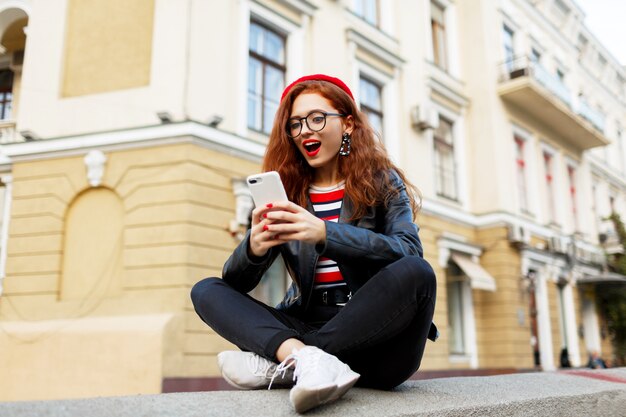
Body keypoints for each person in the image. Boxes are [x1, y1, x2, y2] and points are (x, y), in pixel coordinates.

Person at [191, 74, 438, 413]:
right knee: (206, 290)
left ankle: (290, 361)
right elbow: (234, 286)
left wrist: (325, 233)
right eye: (295, 124)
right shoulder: (289, 193)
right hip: (308, 320)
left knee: (418, 272)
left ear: (347, 124)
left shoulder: (383, 181)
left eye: (317, 118)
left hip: (379, 343)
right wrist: (255, 248)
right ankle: (303, 358)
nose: (305, 130)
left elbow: (408, 251)